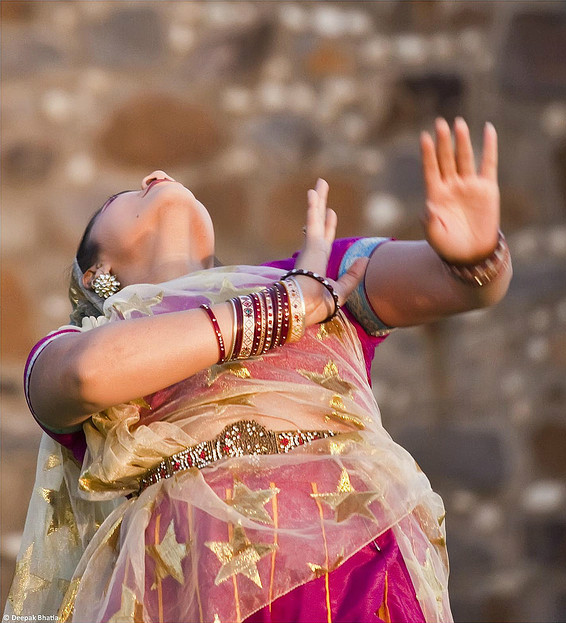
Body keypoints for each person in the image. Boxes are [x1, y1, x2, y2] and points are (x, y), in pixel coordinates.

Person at [5, 118, 511, 623]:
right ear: (97, 276)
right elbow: (87, 375)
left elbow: (455, 285)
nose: (154, 176)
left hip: (355, 582)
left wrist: (476, 256)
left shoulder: (311, 273)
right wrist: (287, 308)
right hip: (192, 589)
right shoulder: (79, 342)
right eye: (122, 194)